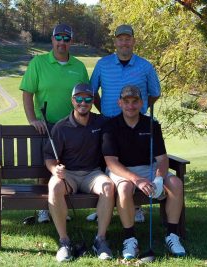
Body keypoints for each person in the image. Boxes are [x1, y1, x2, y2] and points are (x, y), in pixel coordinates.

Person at [88, 24, 161, 223]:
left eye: (127, 38)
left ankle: (136, 207)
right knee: (105, 162)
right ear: (115, 42)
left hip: (134, 122)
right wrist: (102, 109)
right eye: (120, 39)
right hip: (109, 121)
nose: (124, 42)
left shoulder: (145, 66)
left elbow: (155, 93)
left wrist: (139, 108)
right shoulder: (103, 64)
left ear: (133, 41)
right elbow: (92, 91)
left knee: (132, 161)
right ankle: (103, 205)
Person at [102, 85, 186, 259]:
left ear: (141, 103)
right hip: (121, 170)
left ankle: (172, 235)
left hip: (149, 169)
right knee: (124, 189)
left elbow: (162, 159)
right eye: (126, 102)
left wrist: (159, 179)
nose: (130, 106)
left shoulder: (152, 125)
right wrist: (136, 180)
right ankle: (130, 238)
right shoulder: (111, 126)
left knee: (176, 183)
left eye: (135, 101)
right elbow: (111, 162)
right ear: (120, 103)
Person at [20, 23, 89, 224]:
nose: (62, 42)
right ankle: (43, 209)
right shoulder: (38, 63)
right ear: (52, 40)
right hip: (47, 125)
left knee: (66, 169)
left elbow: (85, 95)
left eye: (66, 39)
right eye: (58, 38)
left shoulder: (78, 66)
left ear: (71, 42)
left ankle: (60, 207)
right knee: (45, 170)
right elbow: (27, 93)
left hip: (71, 127)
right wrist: (32, 119)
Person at [44, 83, 115, 262]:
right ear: (72, 100)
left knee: (108, 186)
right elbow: (49, 157)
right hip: (69, 175)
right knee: (54, 186)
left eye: (88, 99)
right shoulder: (61, 127)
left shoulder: (101, 122)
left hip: (93, 174)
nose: (83, 102)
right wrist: (55, 170)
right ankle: (64, 242)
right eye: (79, 99)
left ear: (92, 101)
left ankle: (100, 240)